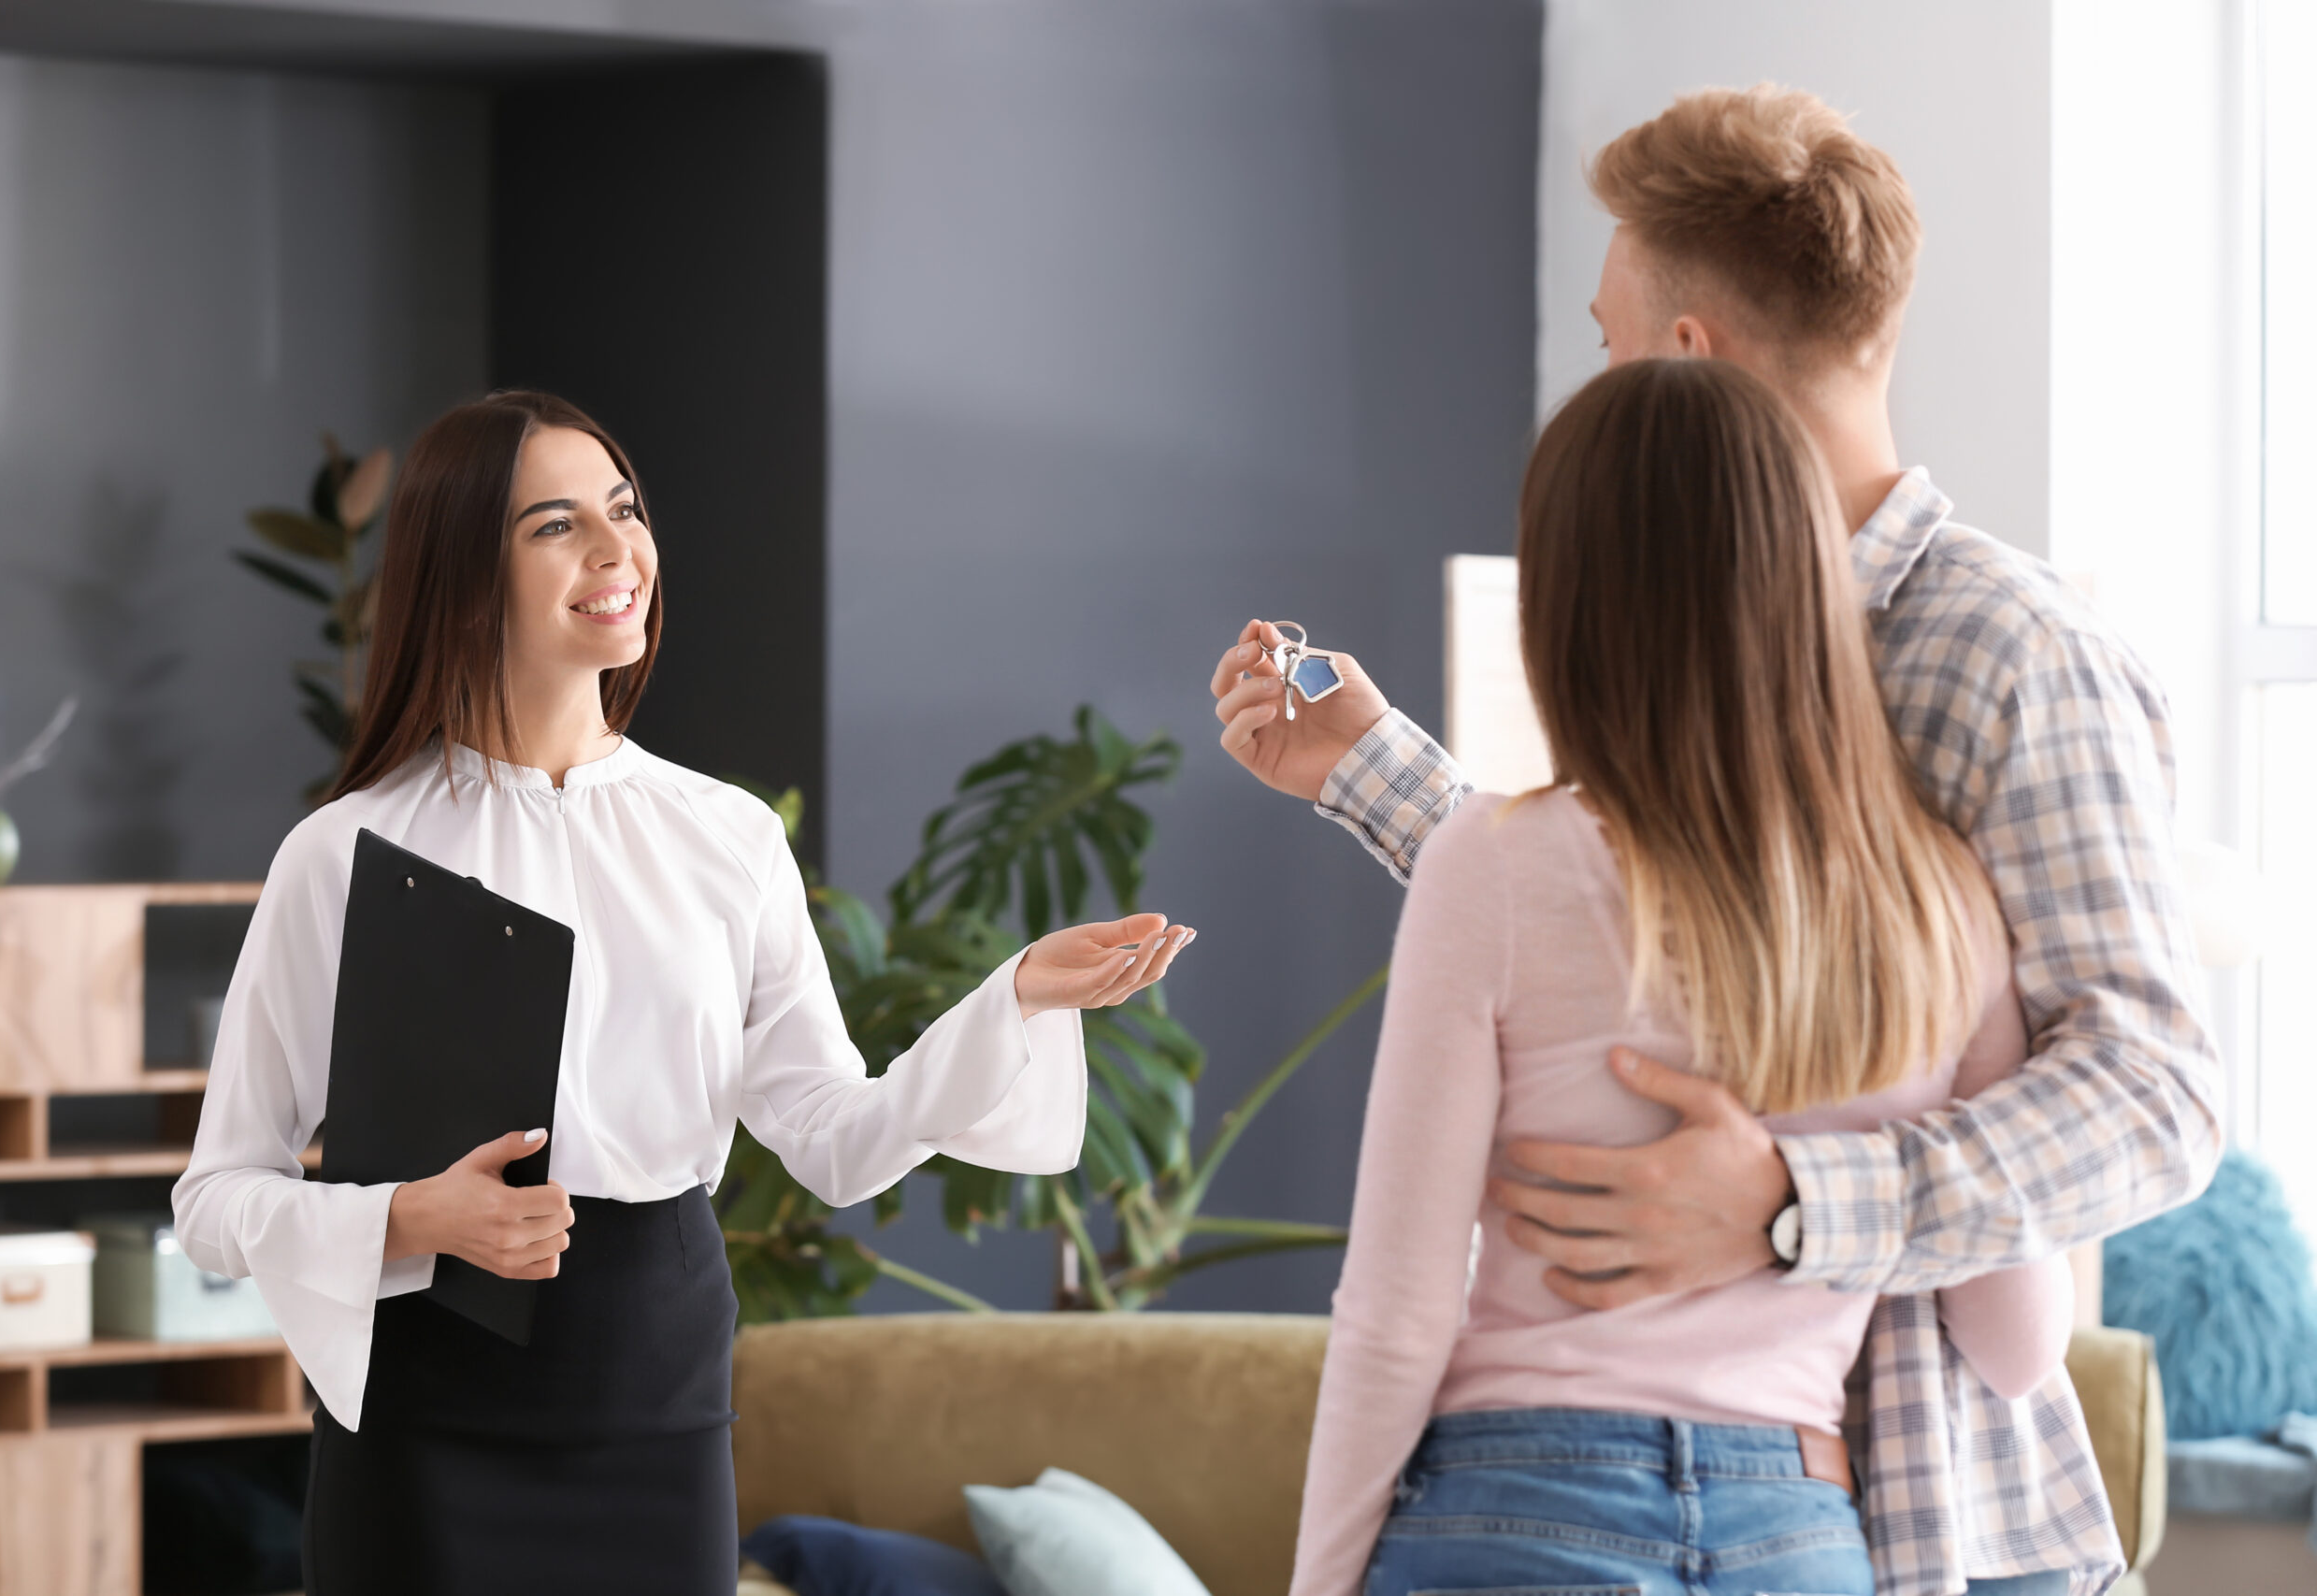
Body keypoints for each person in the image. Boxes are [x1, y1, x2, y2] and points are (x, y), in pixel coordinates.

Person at [1216, 88, 2218, 1596]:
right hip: (1807, 1516)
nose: (1604, 371)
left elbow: (2158, 1092)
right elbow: (1623, 940)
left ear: (1686, 363)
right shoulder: (1728, 654)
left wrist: (1801, 1205)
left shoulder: (2012, 656)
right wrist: (1380, 774)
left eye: (1611, 338)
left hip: (1936, 1510)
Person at [173, 391, 1197, 1596]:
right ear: (463, 566)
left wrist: (1015, 999)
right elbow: (214, 1200)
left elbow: (832, 1138)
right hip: (427, 1405)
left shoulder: (727, 835)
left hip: (655, 1387)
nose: (617, 554)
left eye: (627, 511)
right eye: (556, 525)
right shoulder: (345, 853)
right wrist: (409, 1218)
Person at [1297, 355, 2076, 1596]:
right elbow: (2018, 1346)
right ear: (1811, 579)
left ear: (1566, 604)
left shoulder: (1492, 864)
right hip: (1799, 1533)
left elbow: (1396, 1312)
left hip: (1514, 1514)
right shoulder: (1942, 902)